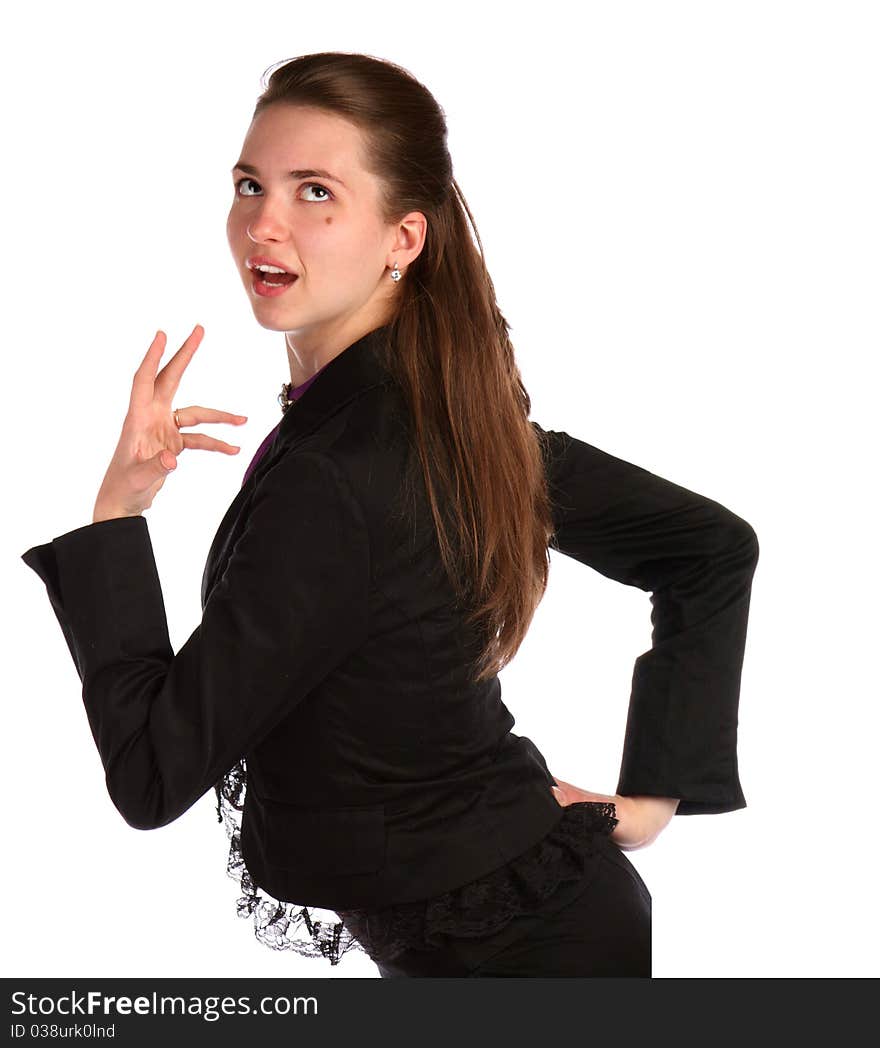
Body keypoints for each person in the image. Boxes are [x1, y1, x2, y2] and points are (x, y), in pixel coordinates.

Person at [20, 51, 759, 978]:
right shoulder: (440, 413)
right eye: (250, 184)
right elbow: (709, 549)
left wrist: (114, 516)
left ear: (403, 239)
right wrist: (652, 797)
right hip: (531, 925)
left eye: (316, 191)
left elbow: (153, 772)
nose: (264, 223)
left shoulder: (346, 468)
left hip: (522, 954)